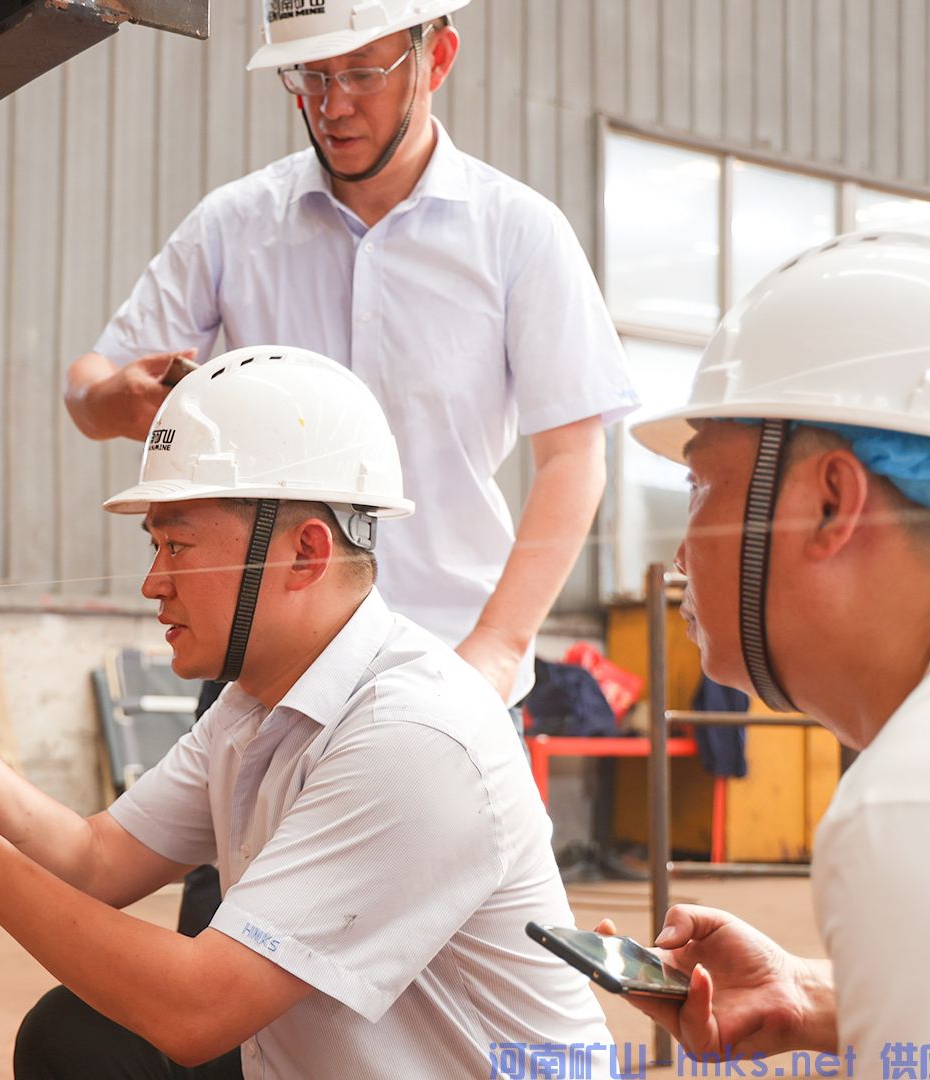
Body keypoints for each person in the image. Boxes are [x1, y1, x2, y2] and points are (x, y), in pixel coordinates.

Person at [0, 346, 614, 1079]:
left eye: (179, 546)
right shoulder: (256, 706)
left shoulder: (413, 735)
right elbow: (96, 861)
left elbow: (197, 1011)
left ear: (303, 552)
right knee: (77, 1037)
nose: (153, 582)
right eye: (153, 547)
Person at [63, 0, 636, 709]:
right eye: (309, 76)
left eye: (362, 73)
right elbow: (86, 387)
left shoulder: (517, 235)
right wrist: (112, 399)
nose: (331, 106)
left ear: (438, 58)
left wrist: (496, 648)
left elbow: (573, 458)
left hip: (445, 659)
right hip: (261, 665)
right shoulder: (235, 226)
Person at [597, 229, 930, 1069]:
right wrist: (822, 997)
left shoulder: (918, 805)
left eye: (699, 485)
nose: (679, 554)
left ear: (828, 502)